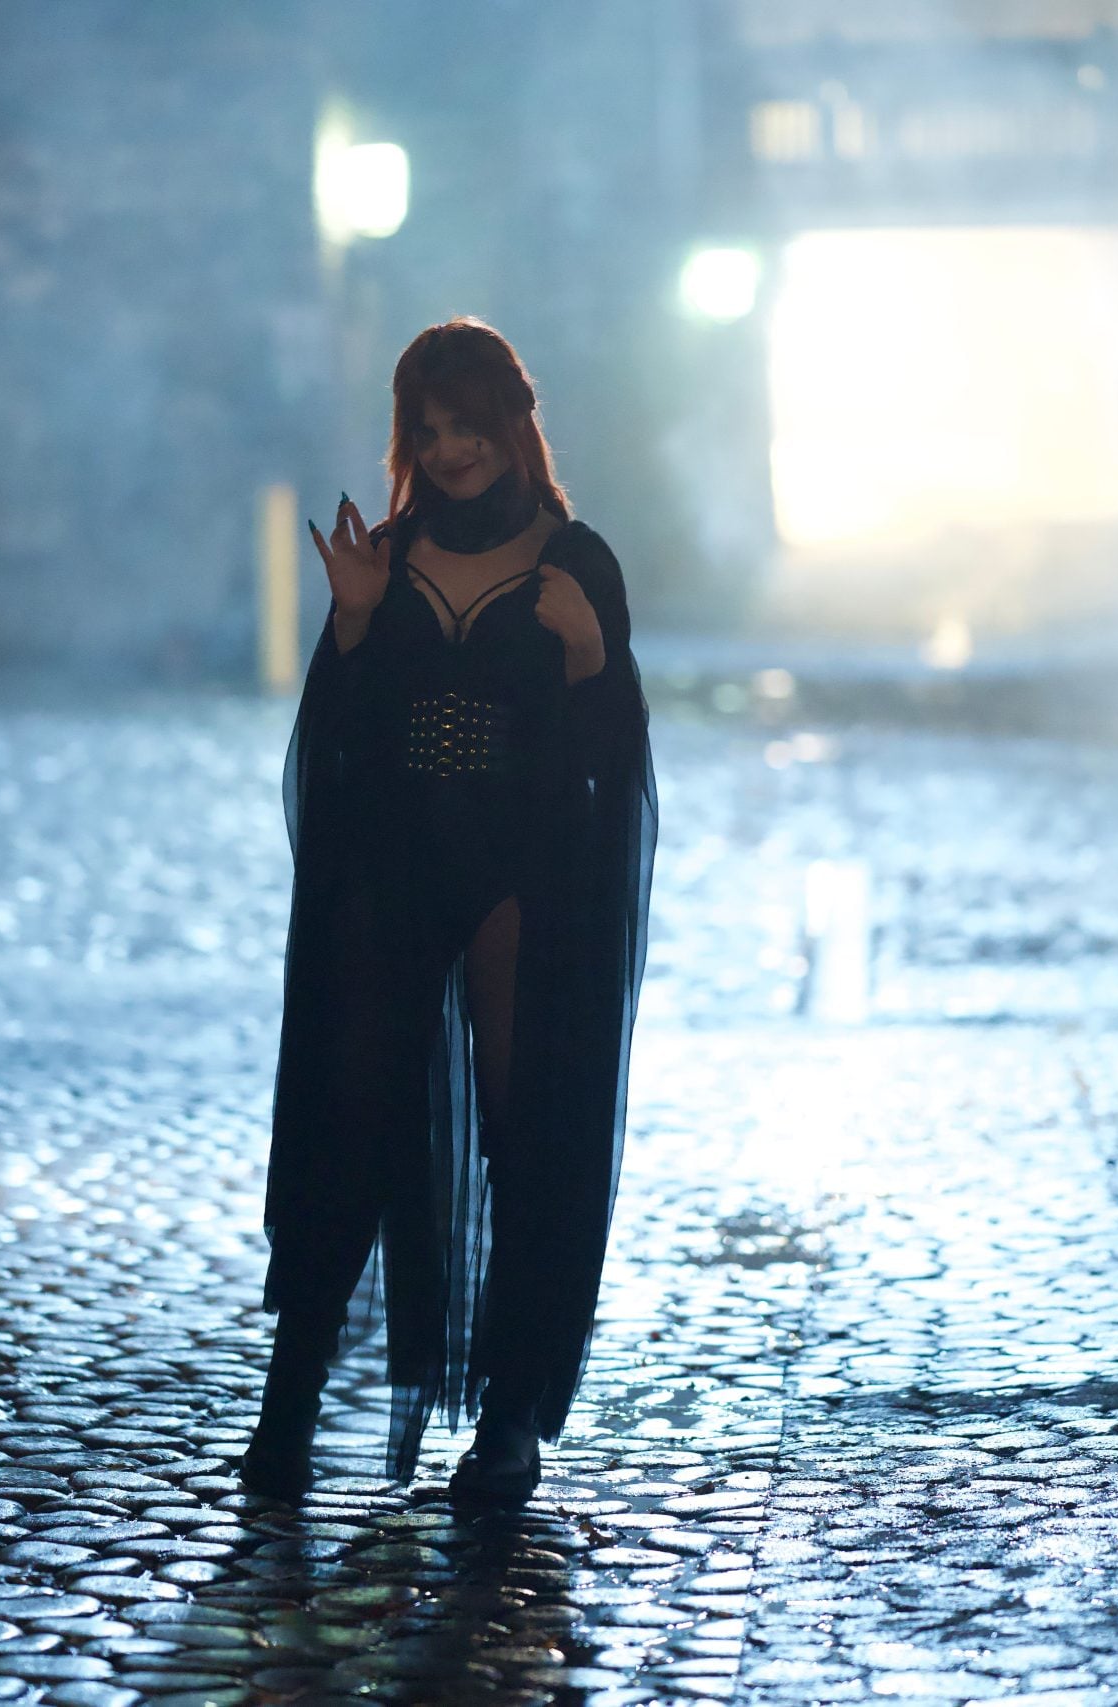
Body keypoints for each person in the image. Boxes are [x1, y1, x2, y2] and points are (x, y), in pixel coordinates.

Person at [238, 318, 656, 1505]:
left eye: (469, 424)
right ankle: (290, 1404)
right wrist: (359, 620)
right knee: (349, 1117)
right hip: (394, 858)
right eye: (429, 429)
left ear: (512, 423)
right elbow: (342, 744)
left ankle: (511, 1419)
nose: (453, 448)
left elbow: (612, 767)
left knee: (529, 1136)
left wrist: (584, 662)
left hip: (526, 871)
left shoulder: (578, 560)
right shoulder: (389, 547)